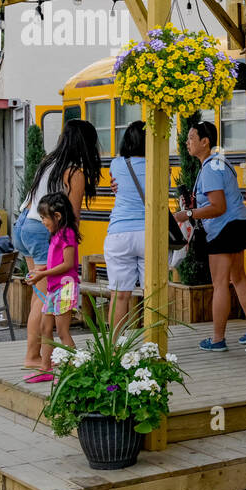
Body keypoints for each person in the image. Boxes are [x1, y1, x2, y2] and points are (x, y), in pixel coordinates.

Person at [12, 119, 101, 370]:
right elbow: (71, 217)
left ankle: (36, 354)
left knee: (39, 295)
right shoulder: (74, 173)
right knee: (45, 297)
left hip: (24, 224)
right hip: (43, 231)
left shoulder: (48, 162)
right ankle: (34, 356)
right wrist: (70, 251)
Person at [176, 115, 246, 352]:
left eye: (191, 138)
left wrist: (188, 214)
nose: (187, 142)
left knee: (220, 283)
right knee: (238, 278)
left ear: (205, 141)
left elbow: (218, 207)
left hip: (224, 227)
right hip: (239, 223)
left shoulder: (211, 167)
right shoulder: (218, 162)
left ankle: (217, 338)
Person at [25, 192, 80, 382]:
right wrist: (42, 269)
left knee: (62, 330)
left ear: (57, 216)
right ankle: (45, 368)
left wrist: (43, 274)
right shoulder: (56, 234)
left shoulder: (67, 234)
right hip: (54, 288)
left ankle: (74, 369)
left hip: (65, 287)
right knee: (44, 327)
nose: (42, 222)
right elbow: (57, 262)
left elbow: (68, 264)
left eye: (43, 218)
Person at [105, 120, 147, 332]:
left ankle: (113, 348)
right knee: (153, 292)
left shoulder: (116, 164)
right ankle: (154, 345)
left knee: (120, 294)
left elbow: (119, 187)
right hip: (148, 233)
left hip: (119, 233)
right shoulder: (158, 164)